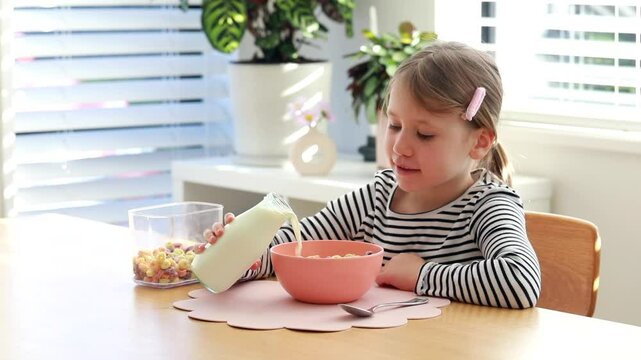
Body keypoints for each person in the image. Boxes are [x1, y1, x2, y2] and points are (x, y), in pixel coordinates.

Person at [198, 41, 541, 309]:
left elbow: (520, 282)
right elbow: (295, 246)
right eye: (394, 125)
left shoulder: (490, 205)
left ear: (479, 142)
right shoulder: (377, 196)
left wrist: (422, 275)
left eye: (424, 135)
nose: (400, 147)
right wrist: (241, 256)